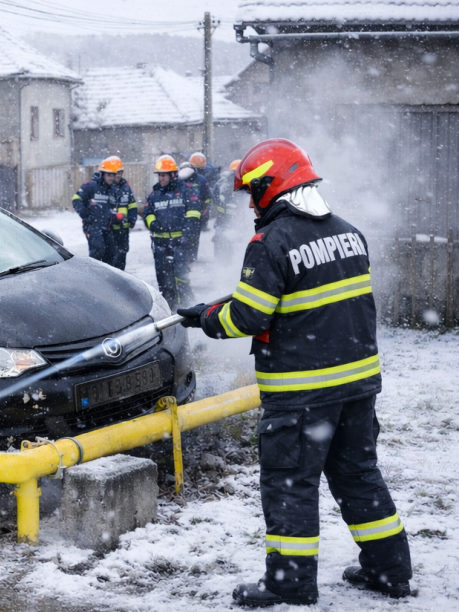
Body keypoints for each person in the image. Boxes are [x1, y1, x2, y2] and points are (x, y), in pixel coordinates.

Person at [177, 138, 412, 607]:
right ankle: (389, 571)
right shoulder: (348, 232)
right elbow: (299, 301)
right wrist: (226, 302)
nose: (249, 202)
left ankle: (289, 583)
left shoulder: (270, 243)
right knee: (358, 476)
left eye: (253, 190)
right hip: (358, 385)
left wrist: (204, 319)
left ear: (272, 185)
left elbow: (248, 318)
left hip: (302, 395)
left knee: (290, 484)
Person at [144, 155, 200, 306]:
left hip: (181, 243)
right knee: (165, 282)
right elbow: (147, 212)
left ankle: (188, 309)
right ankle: (170, 312)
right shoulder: (155, 194)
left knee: (181, 279)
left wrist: (187, 235)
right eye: (159, 175)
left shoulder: (186, 190)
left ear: (173, 175)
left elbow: (194, 213)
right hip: (160, 244)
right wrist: (153, 223)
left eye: (164, 175)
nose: (161, 178)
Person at [72, 160, 121, 266]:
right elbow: (76, 199)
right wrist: (86, 216)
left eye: (113, 175)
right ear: (102, 174)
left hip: (106, 227)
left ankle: (107, 278)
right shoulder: (90, 186)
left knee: (112, 253)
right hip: (93, 226)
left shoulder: (112, 190)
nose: (112, 178)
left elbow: (111, 208)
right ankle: (93, 277)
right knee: (98, 251)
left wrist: (115, 217)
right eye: (109, 175)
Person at [104, 156, 138, 270]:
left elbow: (132, 204)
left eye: (120, 172)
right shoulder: (105, 187)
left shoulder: (126, 187)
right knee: (111, 257)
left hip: (123, 229)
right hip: (110, 229)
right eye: (116, 172)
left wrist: (132, 219)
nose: (118, 175)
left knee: (122, 255)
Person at [179, 152, 214, 263]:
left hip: (196, 214)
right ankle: (184, 257)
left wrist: (203, 208)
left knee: (193, 236)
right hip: (183, 213)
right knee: (183, 236)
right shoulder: (181, 179)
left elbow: (207, 196)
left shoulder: (201, 180)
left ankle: (191, 258)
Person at [210, 159, 243, 258]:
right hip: (232, 220)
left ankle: (222, 261)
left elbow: (215, 197)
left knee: (221, 240)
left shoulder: (221, 183)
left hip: (223, 219)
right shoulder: (243, 184)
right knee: (230, 242)